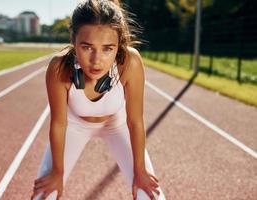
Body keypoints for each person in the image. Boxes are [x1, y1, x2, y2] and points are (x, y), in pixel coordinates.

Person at [31, 0, 166, 199]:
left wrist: (140, 171)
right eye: (87, 47)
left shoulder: (130, 62)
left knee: (150, 195)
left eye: (107, 49)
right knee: (45, 195)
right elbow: (59, 124)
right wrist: (57, 173)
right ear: (73, 40)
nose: (96, 60)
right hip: (75, 126)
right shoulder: (59, 67)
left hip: (116, 125)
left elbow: (135, 121)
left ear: (118, 45)